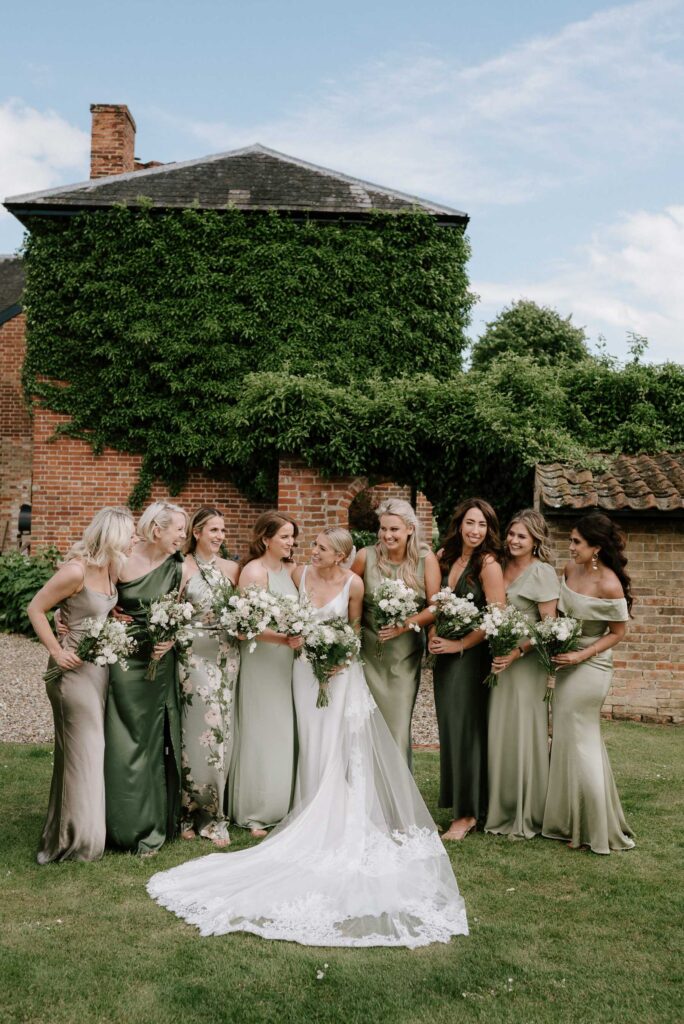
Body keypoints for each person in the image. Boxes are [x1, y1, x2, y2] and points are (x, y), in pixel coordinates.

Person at [147, 528, 468, 948]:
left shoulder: (354, 583)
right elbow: (285, 616)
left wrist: (340, 658)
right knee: (307, 737)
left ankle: (333, 812)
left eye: (319, 548)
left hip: (339, 675)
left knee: (337, 741)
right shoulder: (299, 576)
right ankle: (304, 804)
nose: (310, 552)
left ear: (339, 556)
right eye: (311, 546)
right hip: (302, 671)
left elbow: (354, 630)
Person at [27, 507, 136, 864]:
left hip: (98, 669)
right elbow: (35, 609)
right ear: (112, 535)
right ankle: (74, 842)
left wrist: (113, 615)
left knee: (86, 751)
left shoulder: (110, 569)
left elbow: (95, 608)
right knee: (85, 751)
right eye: (130, 533)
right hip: (71, 671)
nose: (133, 539)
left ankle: (76, 830)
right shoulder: (75, 570)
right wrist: (57, 651)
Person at [542, 512, 635, 854]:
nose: (570, 547)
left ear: (596, 548)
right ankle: (572, 823)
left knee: (584, 742)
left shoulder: (608, 583)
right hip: (565, 662)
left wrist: (582, 655)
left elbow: (618, 633)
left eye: (577, 542)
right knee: (567, 739)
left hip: (592, 665)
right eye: (571, 540)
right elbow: (562, 616)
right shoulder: (569, 571)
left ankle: (597, 830)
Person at [105, 500, 190, 855]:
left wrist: (170, 637)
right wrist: (110, 615)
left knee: (157, 738)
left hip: (159, 661)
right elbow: (94, 597)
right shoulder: (120, 559)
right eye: (179, 531)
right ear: (158, 529)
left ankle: (154, 823)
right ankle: (120, 824)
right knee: (124, 737)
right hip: (124, 660)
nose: (183, 538)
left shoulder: (179, 568)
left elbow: (181, 614)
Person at [428, 498, 505, 841]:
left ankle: (468, 814)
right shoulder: (444, 557)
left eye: (483, 525)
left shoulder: (487, 564)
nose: (475, 531)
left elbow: (496, 617)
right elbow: (432, 604)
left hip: (470, 657)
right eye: (470, 523)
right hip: (444, 657)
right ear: (460, 523)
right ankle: (460, 805)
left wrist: (460, 645)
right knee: (450, 730)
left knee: (467, 732)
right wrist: (433, 633)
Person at [485, 509, 559, 839]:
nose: (514, 541)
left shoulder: (542, 572)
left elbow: (549, 625)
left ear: (535, 541)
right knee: (500, 729)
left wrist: (517, 651)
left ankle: (529, 810)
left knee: (526, 730)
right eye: (512, 534)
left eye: (522, 537)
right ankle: (500, 806)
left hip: (526, 662)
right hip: (499, 658)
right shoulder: (497, 566)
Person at [351, 498, 440, 766]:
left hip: (403, 657)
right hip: (367, 653)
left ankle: (396, 800)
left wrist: (404, 624)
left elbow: (435, 607)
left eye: (394, 530)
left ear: (410, 529)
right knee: (363, 723)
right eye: (383, 529)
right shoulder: (365, 556)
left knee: (397, 725)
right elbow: (349, 599)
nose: (387, 535)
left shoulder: (426, 559)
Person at [228, 510, 300, 837]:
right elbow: (245, 628)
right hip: (261, 660)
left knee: (284, 728)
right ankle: (256, 810)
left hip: (286, 660)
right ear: (265, 538)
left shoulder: (290, 570)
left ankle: (281, 804)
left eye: (292, 536)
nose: (291, 542)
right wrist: (283, 638)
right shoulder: (253, 573)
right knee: (261, 727)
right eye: (284, 536)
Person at [179, 507, 240, 848]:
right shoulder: (181, 567)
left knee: (223, 734)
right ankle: (191, 812)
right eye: (213, 530)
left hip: (229, 654)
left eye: (223, 530)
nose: (219, 536)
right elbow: (168, 608)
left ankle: (215, 815)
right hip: (193, 655)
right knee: (199, 734)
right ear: (197, 532)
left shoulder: (232, 568)